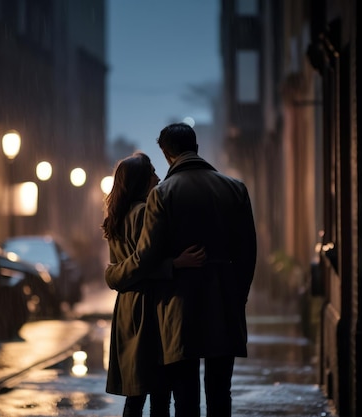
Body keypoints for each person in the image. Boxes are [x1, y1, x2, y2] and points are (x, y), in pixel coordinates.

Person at [105, 123, 257, 417]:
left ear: (166, 154)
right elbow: (247, 253)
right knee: (219, 391)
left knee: (185, 396)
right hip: (225, 301)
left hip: (177, 308)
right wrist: (239, 295)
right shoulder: (235, 188)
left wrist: (119, 273)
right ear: (196, 148)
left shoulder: (163, 194)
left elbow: (146, 256)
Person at [101, 151, 205, 417]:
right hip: (148, 308)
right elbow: (143, 262)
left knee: (135, 395)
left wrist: (113, 275)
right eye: (152, 174)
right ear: (141, 181)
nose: (158, 178)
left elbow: (120, 269)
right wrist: (175, 264)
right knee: (159, 394)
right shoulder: (145, 212)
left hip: (127, 308)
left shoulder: (117, 216)